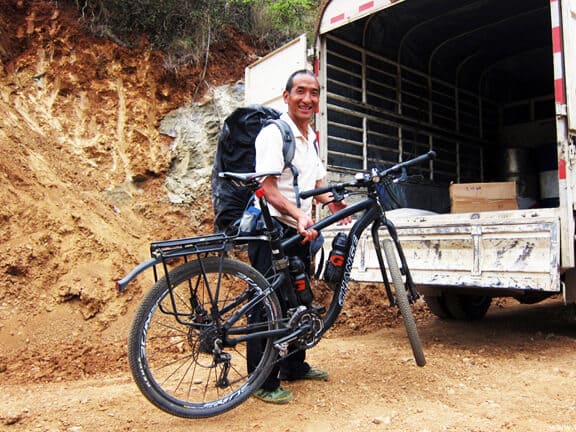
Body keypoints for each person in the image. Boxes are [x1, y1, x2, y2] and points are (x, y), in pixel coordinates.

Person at [247, 69, 351, 404]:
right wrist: (299, 214)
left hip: (297, 230)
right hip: (269, 228)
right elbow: (267, 188)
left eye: (314, 93)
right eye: (300, 92)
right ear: (286, 96)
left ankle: (294, 366)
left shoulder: (310, 137)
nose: (307, 99)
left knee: (299, 299)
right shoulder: (274, 133)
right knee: (268, 304)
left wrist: (335, 204)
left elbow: (316, 185)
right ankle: (261, 382)